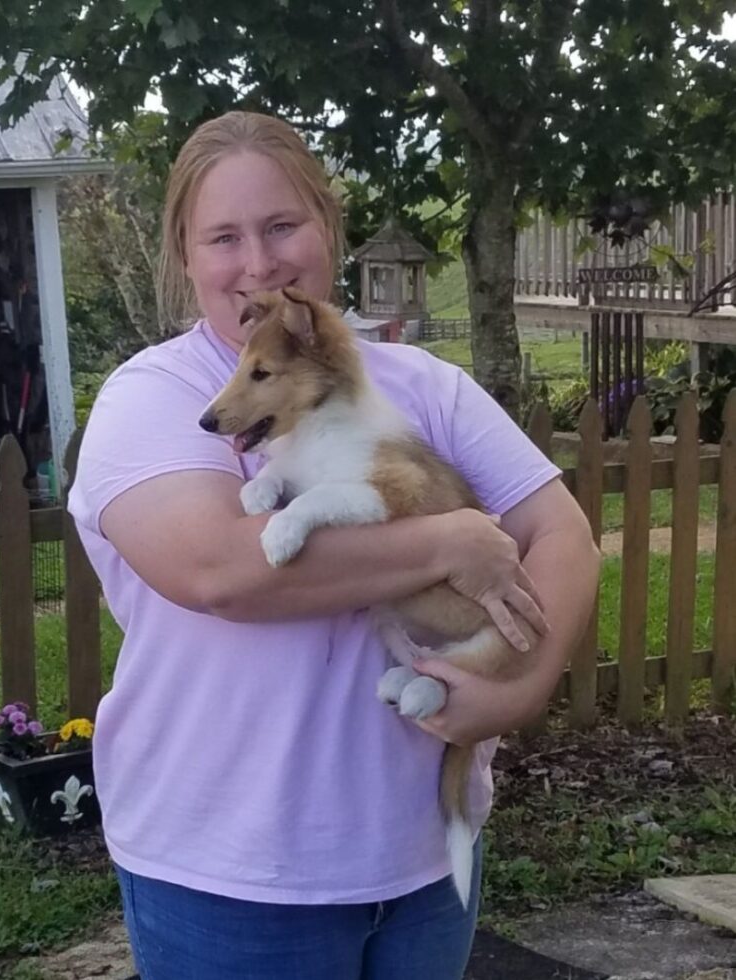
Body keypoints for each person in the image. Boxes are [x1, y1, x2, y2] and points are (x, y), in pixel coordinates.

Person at [68, 110, 600, 980]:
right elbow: (222, 571)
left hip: (418, 858)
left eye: (282, 225)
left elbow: (564, 532)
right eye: (224, 238)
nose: (259, 262)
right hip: (229, 871)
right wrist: (450, 543)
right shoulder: (153, 397)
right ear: (186, 257)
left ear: (328, 225)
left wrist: (522, 687)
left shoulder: (427, 386)